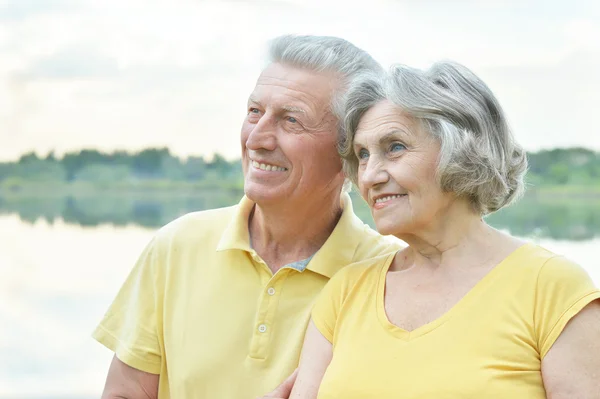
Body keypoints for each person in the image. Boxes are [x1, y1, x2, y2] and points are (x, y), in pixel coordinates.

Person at [92, 35, 402, 399]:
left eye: (291, 120)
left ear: (351, 152)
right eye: (255, 112)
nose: (257, 138)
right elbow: (125, 394)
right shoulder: (177, 246)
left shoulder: (389, 275)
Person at [286, 62, 600, 398]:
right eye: (363, 155)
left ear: (462, 151)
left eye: (395, 147)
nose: (369, 176)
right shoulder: (346, 292)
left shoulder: (553, 288)